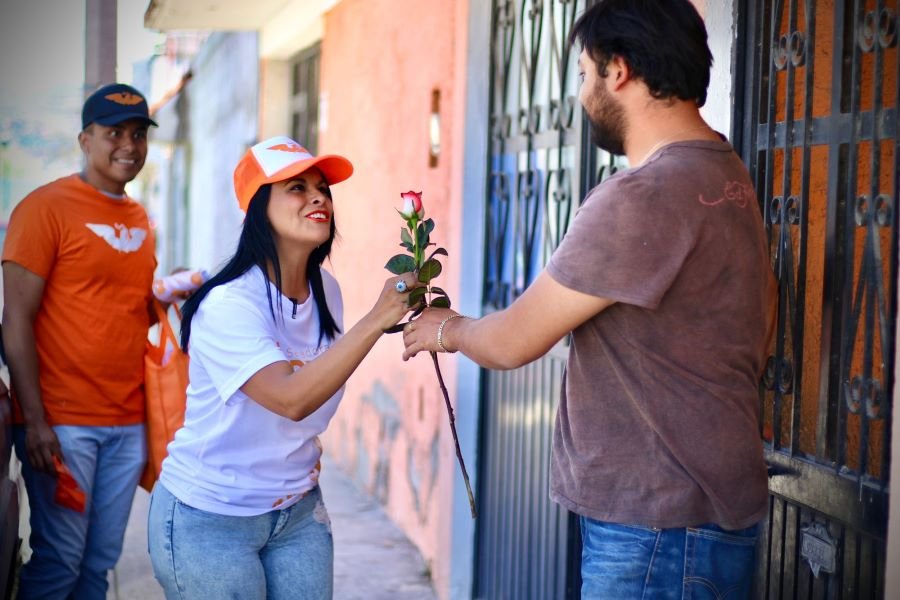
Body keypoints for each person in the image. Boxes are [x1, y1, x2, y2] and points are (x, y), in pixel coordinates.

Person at [402, 1, 775, 597]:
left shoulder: (639, 196)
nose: (580, 94)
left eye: (583, 74)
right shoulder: (726, 177)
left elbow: (513, 340)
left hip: (654, 527)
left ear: (618, 71)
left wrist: (445, 329)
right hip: (706, 512)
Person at [147, 135, 418, 599]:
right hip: (209, 518)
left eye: (322, 188)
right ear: (257, 209)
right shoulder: (229, 303)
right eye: (295, 186)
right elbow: (290, 399)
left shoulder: (327, 292)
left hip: (297, 512)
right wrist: (378, 319)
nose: (318, 197)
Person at [1, 83, 159, 599]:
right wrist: (37, 420)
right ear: (85, 139)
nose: (129, 146)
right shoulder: (44, 208)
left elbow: (126, 308)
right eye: (114, 132)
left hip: (128, 424)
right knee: (59, 565)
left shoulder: (140, 218)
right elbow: (16, 319)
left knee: (97, 568)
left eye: (138, 134)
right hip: (63, 426)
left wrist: (171, 293)